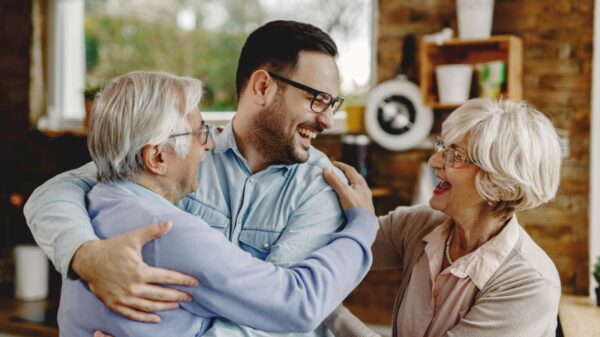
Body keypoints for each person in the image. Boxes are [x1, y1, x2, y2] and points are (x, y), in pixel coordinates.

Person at [24, 20, 347, 337]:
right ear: (262, 87)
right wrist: (86, 255)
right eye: (316, 99)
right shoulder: (179, 153)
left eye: (332, 104)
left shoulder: (321, 187)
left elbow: (283, 310)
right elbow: (55, 192)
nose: (328, 120)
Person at [322, 98, 563, 337]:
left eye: (454, 156)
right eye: (442, 148)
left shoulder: (530, 284)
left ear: (500, 184)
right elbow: (332, 246)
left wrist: (326, 310)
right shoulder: (419, 224)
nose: (433, 162)